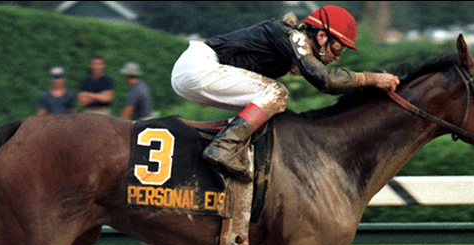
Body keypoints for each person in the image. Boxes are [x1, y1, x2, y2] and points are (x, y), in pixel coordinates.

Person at [170, 5, 400, 182]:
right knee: (277, 92)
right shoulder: (294, 36)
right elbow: (326, 80)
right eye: (338, 47)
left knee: (266, 108)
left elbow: (327, 80)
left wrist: (366, 84)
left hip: (197, 70)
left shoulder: (292, 40)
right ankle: (223, 147)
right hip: (199, 66)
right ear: (321, 36)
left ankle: (233, 148)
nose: (338, 56)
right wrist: (371, 79)